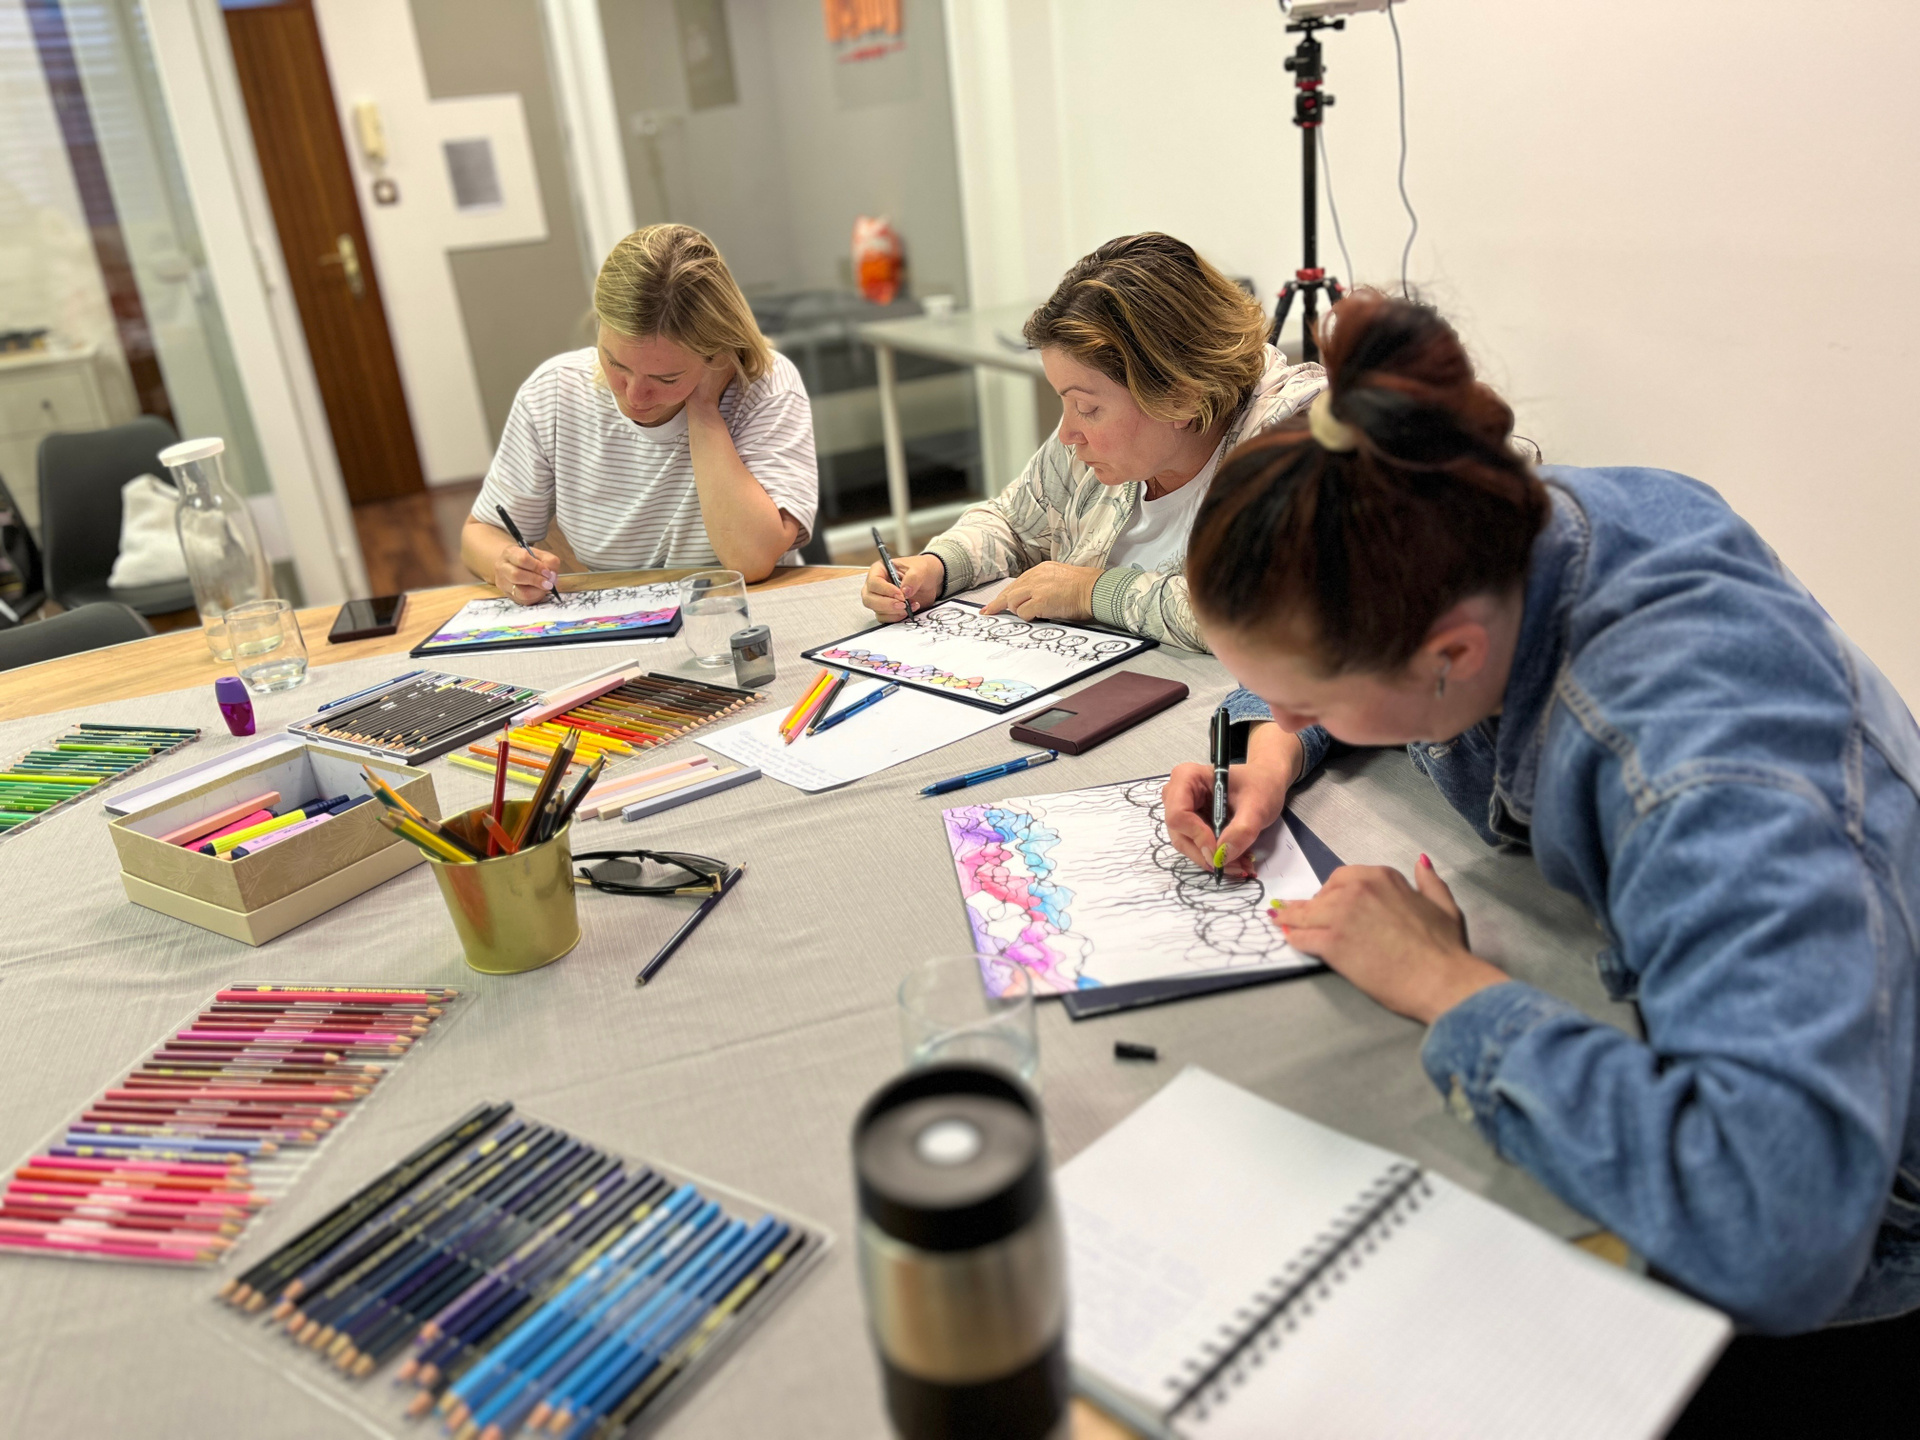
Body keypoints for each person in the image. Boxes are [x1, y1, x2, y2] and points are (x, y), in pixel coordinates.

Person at [1161, 293, 1920, 1367]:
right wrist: (1274, 745)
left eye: (1308, 700)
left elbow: (1777, 1230)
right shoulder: (1501, 524)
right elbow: (1352, 642)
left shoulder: (1701, 777)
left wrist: (1445, 984)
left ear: (1451, 657)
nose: (1278, 712)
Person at [859, 233, 1324, 650]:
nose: (1067, 434)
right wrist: (938, 567)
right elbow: (1015, 523)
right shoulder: (1095, 448)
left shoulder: (1299, 445)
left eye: (1086, 407)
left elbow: (1267, 612)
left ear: (1181, 396)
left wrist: (1090, 591)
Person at [464, 225, 818, 601]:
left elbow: (750, 561)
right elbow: (480, 533)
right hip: (623, 615)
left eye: (666, 378)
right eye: (616, 363)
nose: (634, 395)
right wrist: (506, 564)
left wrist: (703, 409)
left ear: (717, 353)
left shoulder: (766, 388)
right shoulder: (554, 392)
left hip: (748, 610)